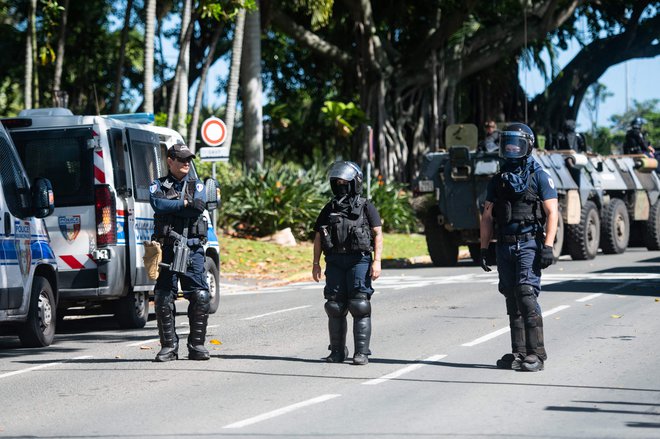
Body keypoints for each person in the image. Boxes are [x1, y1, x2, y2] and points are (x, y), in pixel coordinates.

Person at [479, 123, 559, 372]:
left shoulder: (539, 176)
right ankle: (519, 352)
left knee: (526, 294)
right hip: (504, 245)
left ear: (527, 146)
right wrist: (483, 249)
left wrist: (547, 246)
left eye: (517, 143)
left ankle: (537, 354)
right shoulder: (498, 180)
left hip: (529, 244)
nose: (511, 148)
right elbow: (487, 217)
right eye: (508, 143)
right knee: (511, 298)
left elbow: (552, 212)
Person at [312, 161, 383, 365]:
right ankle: (337, 351)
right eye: (338, 182)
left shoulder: (366, 206)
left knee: (359, 304)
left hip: (358, 260)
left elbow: (377, 233)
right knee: (334, 306)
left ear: (355, 182)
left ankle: (361, 352)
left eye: (345, 182)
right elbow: (318, 236)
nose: (341, 185)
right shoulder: (330, 208)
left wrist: (376, 261)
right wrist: (315, 263)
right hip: (334, 261)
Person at [149, 143, 210, 362]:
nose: (186, 163)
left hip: (192, 248)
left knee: (200, 295)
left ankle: (197, 346)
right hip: (166, 248)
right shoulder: (158, 185)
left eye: (188, 159)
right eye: (182, 159)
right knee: (164, 296)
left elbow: (197, 207)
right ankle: (168, 346)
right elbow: (157, 204)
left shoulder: (197, 185)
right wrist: (183, 202)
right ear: (170, 160)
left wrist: (175, 203)